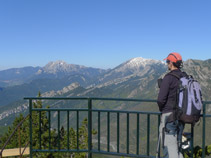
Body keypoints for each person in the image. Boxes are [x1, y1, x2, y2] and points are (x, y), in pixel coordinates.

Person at [157, 52, 185, 158]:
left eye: (167, 61)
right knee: (177, 147)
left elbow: (160, 100)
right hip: (182, 116)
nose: (167, 64)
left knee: (169, 148)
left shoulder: (168, 78)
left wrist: (162, 110)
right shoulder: (183, 76)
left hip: (169, 117)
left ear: (172, 63)